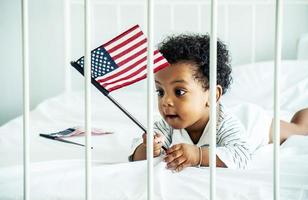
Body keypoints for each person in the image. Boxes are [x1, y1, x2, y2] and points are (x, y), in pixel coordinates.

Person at [128, 34, 308, 171]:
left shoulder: (226, 124)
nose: (166, 101)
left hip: (252, 123)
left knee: (297, 128)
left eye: (179, 92)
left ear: (212, 95)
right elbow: (136, 156)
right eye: (160, 92)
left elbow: (241, 156)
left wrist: (198, 155)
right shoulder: (166, 124)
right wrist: (148, 148)